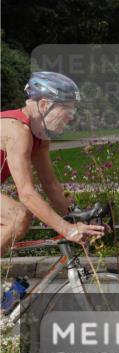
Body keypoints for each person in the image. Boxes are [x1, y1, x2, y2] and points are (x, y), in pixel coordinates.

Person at [1, 72, 105, 255]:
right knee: (18, 216)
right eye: (68, 110)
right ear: (44, 105)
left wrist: (78, 219)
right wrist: (68, 230)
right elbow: (26, 193)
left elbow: (51, 186)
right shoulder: (17, 130)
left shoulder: (40, 137)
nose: (71, 117)